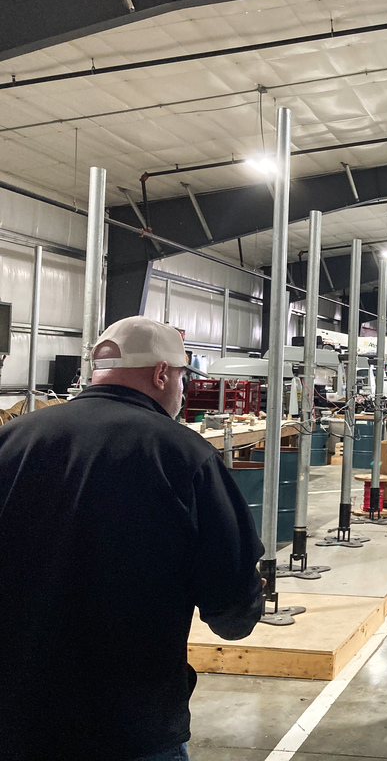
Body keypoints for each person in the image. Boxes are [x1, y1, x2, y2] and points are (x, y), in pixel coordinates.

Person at [0, 316, 265, 761]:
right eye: (182, 377)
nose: (181, 389)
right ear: (162, 374)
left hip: (16, 718)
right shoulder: (183, 454)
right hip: (129, 721)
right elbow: (232, 607)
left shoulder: (10, 441)